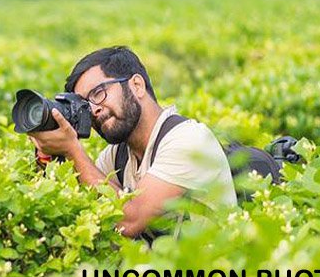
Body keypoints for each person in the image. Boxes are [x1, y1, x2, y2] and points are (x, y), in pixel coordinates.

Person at [29, 46, 237, 238]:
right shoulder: (116, 155)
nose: (93, 110)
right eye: (84, 105)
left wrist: (73, 150)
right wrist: (49, 154)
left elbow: (129, 220)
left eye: (98, 93)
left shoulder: (189, 139)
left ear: (137, 85)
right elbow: (83, 206)